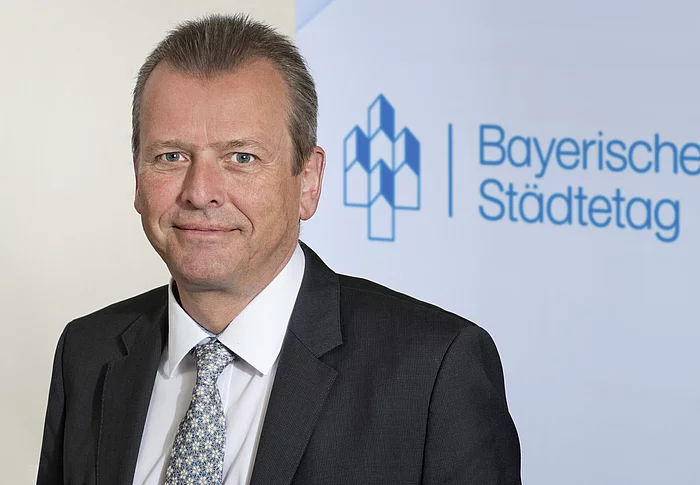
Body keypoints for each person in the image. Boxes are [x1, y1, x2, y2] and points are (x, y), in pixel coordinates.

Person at [37, 14, 521, 485]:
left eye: (241, 157)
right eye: (172, 156)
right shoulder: (87, 354)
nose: (200, 192)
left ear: (308, 180)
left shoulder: (434, 370)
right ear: (138, 178)